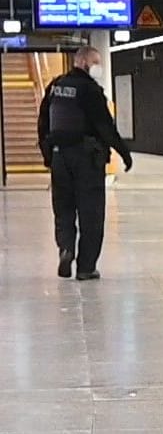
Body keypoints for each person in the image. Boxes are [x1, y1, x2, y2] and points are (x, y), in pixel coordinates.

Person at [38, 45, 133, 281]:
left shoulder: (55, 87)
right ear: (83, 62)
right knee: (91, 213)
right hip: (87, 158)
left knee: (64, 209)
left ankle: (66, 248)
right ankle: (86, 267)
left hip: (60, 156)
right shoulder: (90, 90)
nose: (98, 67)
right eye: (96, 62)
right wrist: (124, 152)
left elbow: (43, 123)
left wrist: (48, 155)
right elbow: (105, 126)